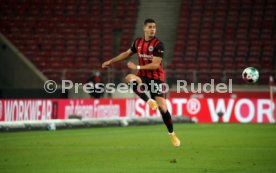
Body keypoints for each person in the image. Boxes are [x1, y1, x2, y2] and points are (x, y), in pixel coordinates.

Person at [102, 18, 180, 147]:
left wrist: (137, 67)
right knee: (129, 78)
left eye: (154, 27)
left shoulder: (158, 44)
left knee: (162, 108)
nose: (152, 29)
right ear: (144, 29)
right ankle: (148, 100)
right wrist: (111, 61)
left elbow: (155, 65)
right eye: (149, 27)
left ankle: (171, 134)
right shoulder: (138, 42)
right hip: (142, 76)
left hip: (156, 78)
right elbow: (126, 53)